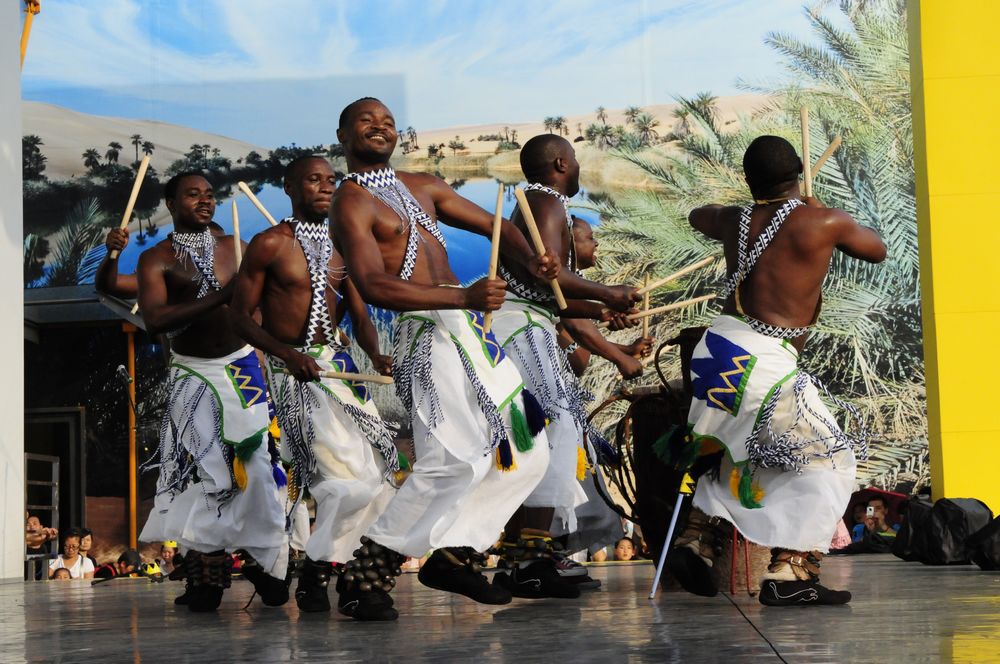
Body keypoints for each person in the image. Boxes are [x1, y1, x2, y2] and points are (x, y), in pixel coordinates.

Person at [329, 97, 560, 621]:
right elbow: (374, 285)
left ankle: (455, 553)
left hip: (471, 333)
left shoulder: (423, 185)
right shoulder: (350, 203)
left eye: (387, 121)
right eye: (366, 121)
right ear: (343, 135)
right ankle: (368, 572)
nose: (380, 127)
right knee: (451, 460)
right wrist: (462, 298)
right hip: (426, 333)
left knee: (530, 450)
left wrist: (533, 258)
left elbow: (495, 226)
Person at [668, 135, 885, 606]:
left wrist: (740, 214)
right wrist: (821, 208)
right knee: (829, 461)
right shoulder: (822, 221)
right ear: (801, 171)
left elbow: (696, 215)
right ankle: (792, 572)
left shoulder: (732, 219)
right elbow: (877, 249)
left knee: (735, 448)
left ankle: (695, 538)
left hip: (718, 350)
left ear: (749, 180)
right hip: (763, 359)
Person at [231, 155, 399, 613]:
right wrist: (287, 355)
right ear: (289, 186)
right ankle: (319, 566)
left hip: (342, 373)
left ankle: (324, 568)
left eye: (331, 180)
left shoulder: (345, 245)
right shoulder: (269, 244)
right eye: (313, 180)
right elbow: (239, 318)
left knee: (378, 479)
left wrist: (377, 353)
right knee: (347, 486)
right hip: (294, 376)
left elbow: (360, 312)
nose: (325, 187)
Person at [485, 135, 646, 599]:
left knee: (544, 435)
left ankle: (527, 556)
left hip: (525, 323)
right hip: (522, 330)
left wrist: (602, 309)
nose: (577, 167)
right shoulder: (547, 203)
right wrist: (608, 291)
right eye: (574, 160)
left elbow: (554, 297)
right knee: (551, 431)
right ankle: (528, 559)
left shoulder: (537, 202)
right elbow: (545, 280)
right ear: (561, 163)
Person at [136, 172, 287, 612]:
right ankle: (207, 576)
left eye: (208, 194)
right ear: (170, 203)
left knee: (259, 467)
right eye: (192, 194)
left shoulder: (236, 247)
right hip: (194, 373)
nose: (204, 200)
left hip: (242, 367)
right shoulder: (155, 259)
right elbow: (155, 320)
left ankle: (263, 560)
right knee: (207, 474)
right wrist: (222, 295)